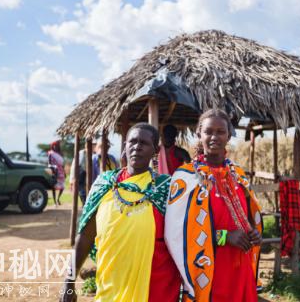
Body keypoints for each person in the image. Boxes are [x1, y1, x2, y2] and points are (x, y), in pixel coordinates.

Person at [60, 123, 180, 302]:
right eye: (132, 141)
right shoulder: (104, 184)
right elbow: (85, 237)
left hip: (154, 289)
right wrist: (68, 282)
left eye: (144, 143)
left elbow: (182, 239)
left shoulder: (166, 189)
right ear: (125, 146)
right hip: (110, 287)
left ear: (155, 150)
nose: (137, 146)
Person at [165, 109, 263, 302]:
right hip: (208, 271)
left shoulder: (238, 175)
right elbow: (177, 234)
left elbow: (249, 215)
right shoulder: (186, 178)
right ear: (199, 134)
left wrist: (253, 232)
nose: (214, 137)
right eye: (209, 131)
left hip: (240, 266)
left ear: (228, 136)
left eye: (220, 132)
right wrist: (224, 236)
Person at [69, 141, 97, 205]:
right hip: (81, 176)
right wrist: (71, 180)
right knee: (83, 194)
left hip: (91, 176)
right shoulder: (82, 153)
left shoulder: (94, 154)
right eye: (92, 145)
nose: (93, 146)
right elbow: (74, 166)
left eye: (94, 145)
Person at [48, 141, 65, 206]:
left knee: (62, 187)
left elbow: (62, 164)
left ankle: (58, 199)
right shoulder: (50, 154)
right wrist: (54, 168)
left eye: (56, 145)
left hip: (61, 172)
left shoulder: (60, 154)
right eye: (54, 145)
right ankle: (55, 201)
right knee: (54, 187)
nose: (55, 147)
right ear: (52, 146)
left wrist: (64, 172)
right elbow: (49, 163)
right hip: (54, 172)